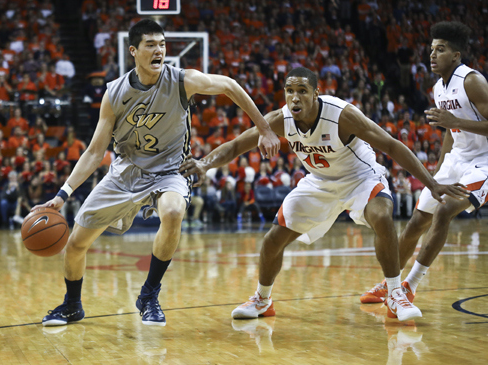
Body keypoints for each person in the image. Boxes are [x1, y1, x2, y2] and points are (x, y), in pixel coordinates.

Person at [32, 19, 279, 327]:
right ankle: (72, 305)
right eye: (150, 45)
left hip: (169, 172)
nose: (159, 50)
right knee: (75, 245)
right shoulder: (114, 94)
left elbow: (229, 86)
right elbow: (95, 152)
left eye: (162, 44)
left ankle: (149, 295)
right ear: (134, 51)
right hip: (124, 173)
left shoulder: (182, 80)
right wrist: (62, 195)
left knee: (174, 211)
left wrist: (265, 129)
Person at [180, 67, 468, 321]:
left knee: (382, 216)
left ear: (316, 93)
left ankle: (395, 295)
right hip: (319, 182)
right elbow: (234, 146)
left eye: (302, 91)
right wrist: (205, 163)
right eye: (289, 91)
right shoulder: (280, 119)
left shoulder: (342, 115)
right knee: (273, 240)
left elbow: (391, 146)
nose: (294, 97)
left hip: (361, 177)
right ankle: (262, 300)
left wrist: (431, 182)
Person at [360, 21, 488, 305]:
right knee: (417, 222)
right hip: (456, 160)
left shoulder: (472, 81)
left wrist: (456, 121)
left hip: (482, 163)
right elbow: (450, 132)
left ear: (456, 56)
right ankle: (390, 283)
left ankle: (410, 285)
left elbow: (456, 123)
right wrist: (438, 171)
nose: (432, 55)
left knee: (443, 213)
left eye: (440, 50)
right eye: (431, 49)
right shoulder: (438, 89)